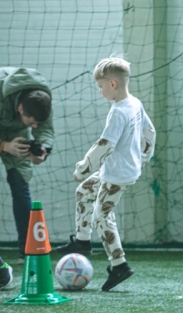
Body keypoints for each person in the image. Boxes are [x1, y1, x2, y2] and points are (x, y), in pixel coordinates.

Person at [56, 57, 156, 292]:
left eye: (100, 86)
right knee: (84, 192)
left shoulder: (119, 112)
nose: (99, 91)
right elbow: (149, 131)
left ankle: (119, 265)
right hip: (118, 169)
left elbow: (105, 145)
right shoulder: (134, 103)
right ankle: (82, 241)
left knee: (102, 216)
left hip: (116, 174)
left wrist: (83, 168)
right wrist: (144, 156)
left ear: (113, 84)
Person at [0, 67, 53, 265]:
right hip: (6, 138)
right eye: (32, 123)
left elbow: (45, 130)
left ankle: (26, 251)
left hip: (16, 134)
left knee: (20, 186)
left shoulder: (42, 100)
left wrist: (43, 151)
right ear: (20, 108)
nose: (35, 127)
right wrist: (4, 146)